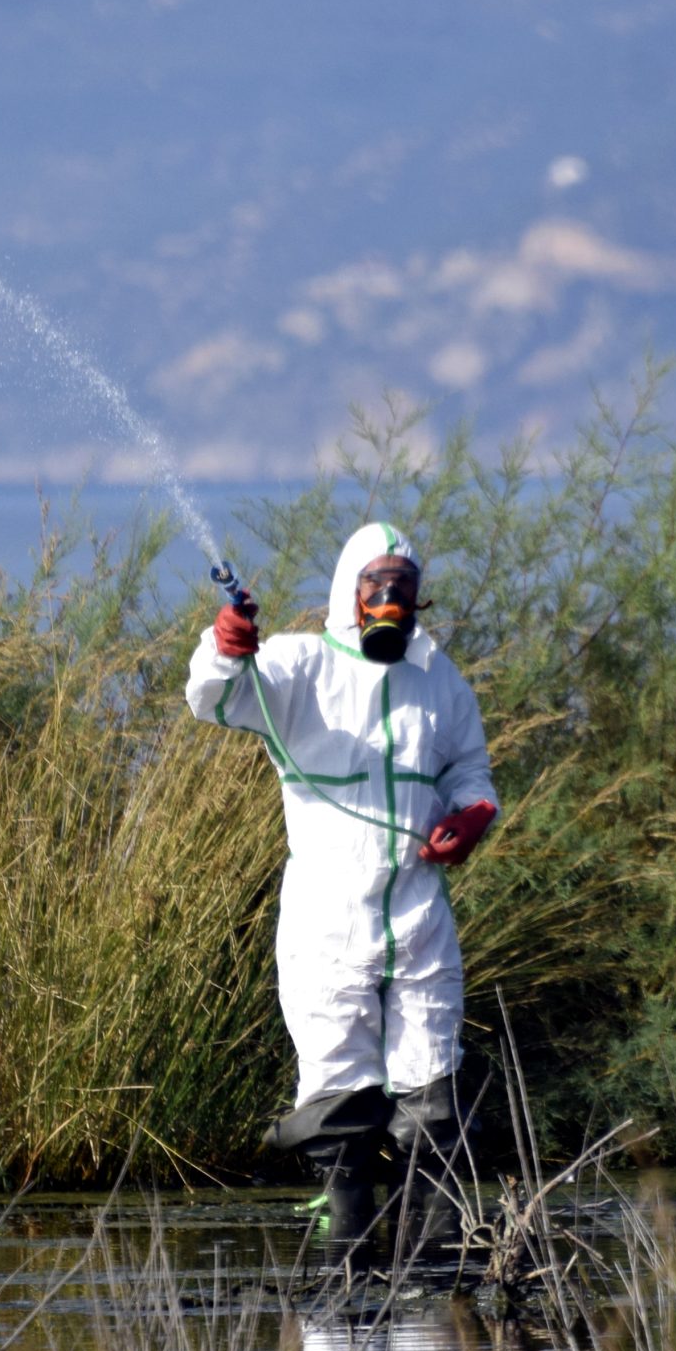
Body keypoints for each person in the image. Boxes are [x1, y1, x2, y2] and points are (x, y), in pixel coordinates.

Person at [184, 522, 499, 1264]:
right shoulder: (299, 666)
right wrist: (226, 645)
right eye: (375, 583)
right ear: (347, 591)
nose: (390, 597)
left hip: (419, 916)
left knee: (435, 1101)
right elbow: (213, 697)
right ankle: (343, 1279)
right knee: (338, 1102)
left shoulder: (438, 678)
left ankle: (434, 1282)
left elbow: (469, 768)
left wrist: (473, 813)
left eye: (403, 585)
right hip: (328, 921)